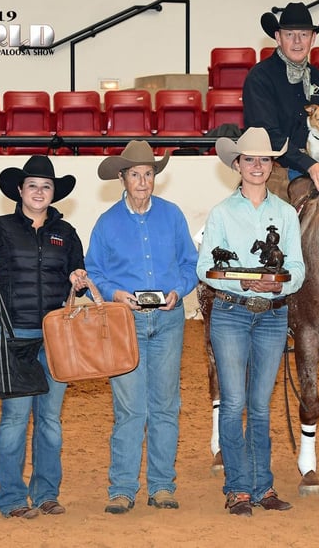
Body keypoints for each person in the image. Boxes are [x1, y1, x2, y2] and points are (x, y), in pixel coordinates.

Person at [0, 155, 87, 519]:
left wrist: (79, 279)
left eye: (46, 186)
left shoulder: (67, 234)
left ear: (53, 193)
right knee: (14, 417)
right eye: (33, 186)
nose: (39, 192)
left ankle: (46, 493)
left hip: (56, 335)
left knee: (50, 419)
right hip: (11, 334)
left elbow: (79, 276)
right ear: (20, 190)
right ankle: (12, 498)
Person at [85, 140, 199, 515]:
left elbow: (189, 264)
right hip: (125, 322)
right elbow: (94, 270)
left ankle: (163, 486)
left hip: (167, 319)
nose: (143, 181)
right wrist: (114, 293)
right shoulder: (107, 223)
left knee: (166, 405)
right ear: (122, 178)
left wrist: (178, 291)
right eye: (135, 174)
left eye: (148, 174)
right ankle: (122, 487)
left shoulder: (173, 216)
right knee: (130, 407)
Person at [196, 127, 305, 517]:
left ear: (271, 164)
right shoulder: (222, 213)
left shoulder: (286, 215)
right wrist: (240, 280)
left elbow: (296, 267)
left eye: (264, 159)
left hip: (272, 315)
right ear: (237, 165)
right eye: (249, 159)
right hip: (231, 311)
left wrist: (277, 283)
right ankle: (238, 487)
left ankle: (262, 486)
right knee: (235, 401)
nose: (257, 166)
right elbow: (206, 268)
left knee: (259, 405)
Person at [243, 2, 319, 194]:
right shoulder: (260, 78)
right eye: (289, 34)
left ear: (313, 39)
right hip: (276, 174)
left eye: (304, 34)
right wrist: (310, 165)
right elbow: (267, 134)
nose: (297, 41)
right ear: (278, 37)